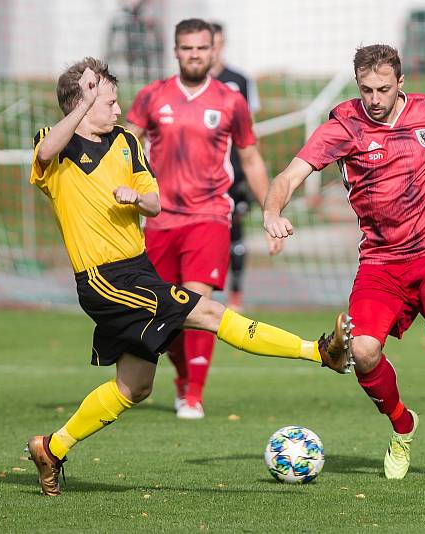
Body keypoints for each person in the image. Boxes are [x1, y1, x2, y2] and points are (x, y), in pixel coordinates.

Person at [26, 57, 352, 497]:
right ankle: (319, 352)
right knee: (213, 313)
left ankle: (52, 447)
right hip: (105, 279)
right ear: (80, 102)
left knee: (135, 387)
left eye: (116, 100)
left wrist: (136, 199)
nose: (118, 110)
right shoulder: (56, 144)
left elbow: (155, 202)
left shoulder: (124, 141)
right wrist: (82, 106)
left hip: (137, 269)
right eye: (107, 102)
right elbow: (44, 154)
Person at [263, 44, 425, 484]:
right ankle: (403, 425)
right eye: (366, 90)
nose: (375, 99)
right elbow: (289, 176)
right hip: (382, 259)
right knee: (361, 350)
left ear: (402, 83)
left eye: (383, 89)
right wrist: (271, 212)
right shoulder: (343, 127)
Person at [125, 19, 277, 421]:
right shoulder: (152, 96)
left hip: (210, 216)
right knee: (166, 315)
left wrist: (270, 211)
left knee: (197, 303)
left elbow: (250, 157)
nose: (194, 54)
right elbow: (124, 144)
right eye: (186, 48)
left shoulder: (231, 101)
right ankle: (181, 381)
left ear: (214, 51)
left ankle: (194, 393)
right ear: (175, 51)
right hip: (159, 219)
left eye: (201, 48)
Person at [209, 21, 261, 313]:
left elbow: (251, 132)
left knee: (236, 235)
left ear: (222, 44)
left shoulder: (239, 80)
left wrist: (255, 169)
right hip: (203, 176)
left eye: (215, 44)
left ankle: (236, 295)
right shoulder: (193, 82)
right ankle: (201, 292)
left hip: (235, 173)